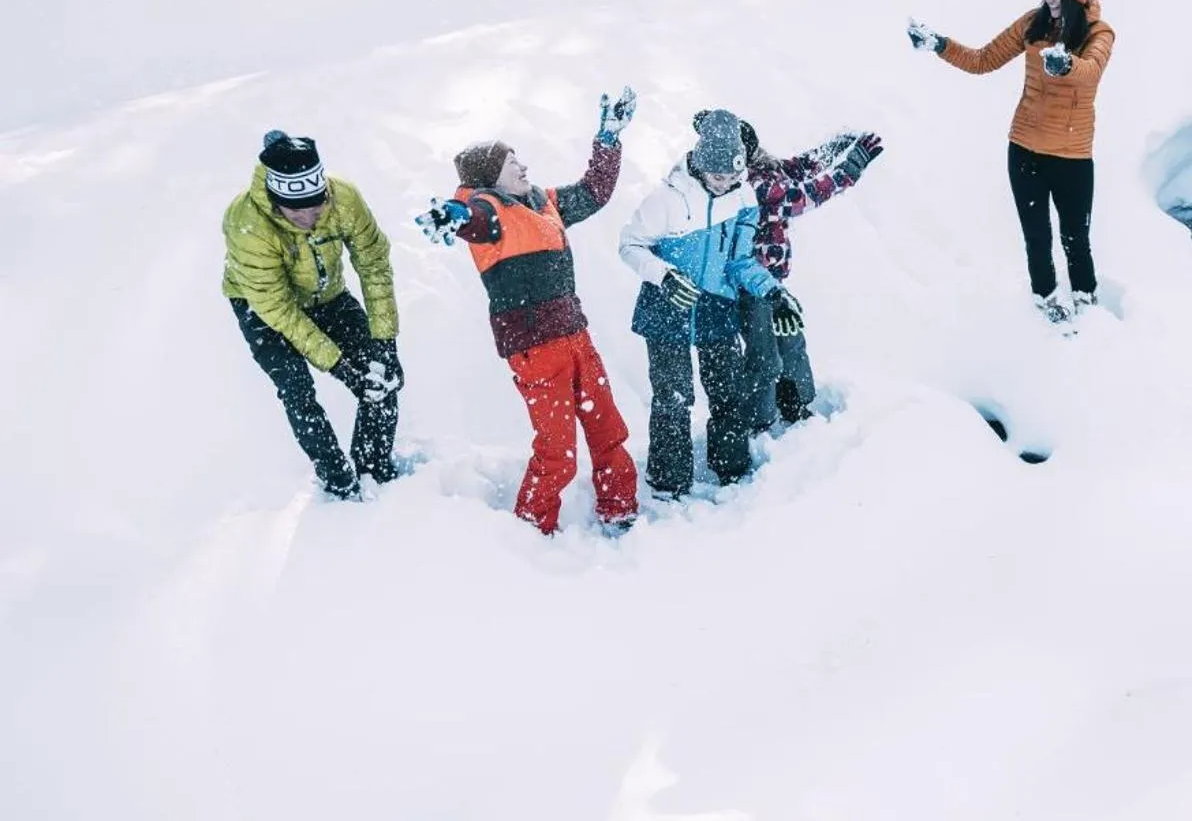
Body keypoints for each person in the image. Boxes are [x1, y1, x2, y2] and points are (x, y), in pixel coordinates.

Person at [616, 110, 876, 495]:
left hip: (715, 305)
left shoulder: (743, 198)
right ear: (700, 163)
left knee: (728, 392)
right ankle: (669, 483)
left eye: (730, 175)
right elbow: (630, 245)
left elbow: (740, 262)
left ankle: (732, 470)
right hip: (667, 305)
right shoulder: (666, 200)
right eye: (716, 175)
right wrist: (663, 276)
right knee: (673, 397)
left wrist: (774, 292)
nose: (723, 183)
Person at [418, 90, 640, 536]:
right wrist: (450, 216)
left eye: (518, 158)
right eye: (510, 163)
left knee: (608, 428)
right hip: (535, 350)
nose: (522, 167)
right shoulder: (489, 212)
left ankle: (619, 507)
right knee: (558, 451)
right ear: (491, 179)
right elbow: (470, 215)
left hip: (576, 335)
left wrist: (608, 140)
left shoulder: (543, 201)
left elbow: (594, 192)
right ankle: (531, 532)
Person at [908, 0, 1115, 325]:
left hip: (1072, 158)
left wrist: (1066, 64)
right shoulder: (1033, 23)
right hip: (1025, 152)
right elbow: (982, 59)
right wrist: (939, 44)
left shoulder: (1099, 33)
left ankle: (1087, 306)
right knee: (1037, 238)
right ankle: (1047, 304)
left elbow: (1091, 71)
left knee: (1075, 239)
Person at [222, 130, 402, 499]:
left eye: (317, 206)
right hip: (262, 306)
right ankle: (339, 483)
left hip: (327, 295)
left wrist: (385, 342)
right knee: (296, 387)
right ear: (276, 202)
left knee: (381, 374)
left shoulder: (343, 198)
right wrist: (341, 368)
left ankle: (374, 469)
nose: (310, 217)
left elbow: (373, 264)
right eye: (297, 210)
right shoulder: (247, 223)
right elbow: (280, 310)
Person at [737, 120, 884, 429]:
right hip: (751, 286)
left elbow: (801, 167)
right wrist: (850, 168)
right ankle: (762, 423)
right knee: (765, 358)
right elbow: (808, 194)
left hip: (773, 284)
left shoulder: (764, 170)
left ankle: (796, 408)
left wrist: (835, 147)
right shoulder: (754, 188)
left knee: (791, 343)